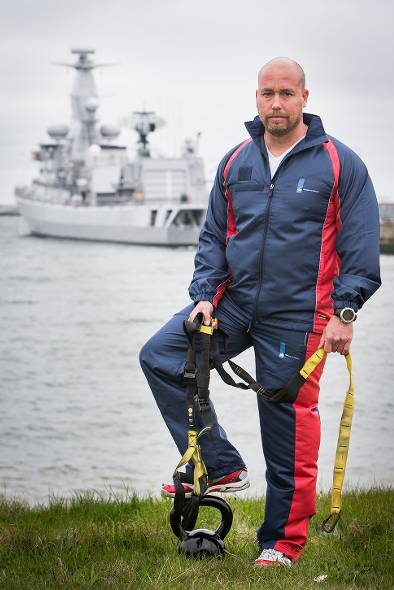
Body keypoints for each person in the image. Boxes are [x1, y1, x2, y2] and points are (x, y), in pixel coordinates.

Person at [139, 58, 381, 567]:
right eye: (267, 93)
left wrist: (345, 313)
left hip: (300, 314)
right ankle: (220, 465)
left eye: (286, 93)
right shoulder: (235, 162)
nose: (276, 103)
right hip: (234, 303)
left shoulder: (340, 164)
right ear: (256, 98)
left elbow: (360, 246)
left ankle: (281, 544)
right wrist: (205, 293)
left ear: (304, 98)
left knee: (288, 430)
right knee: (162, 355)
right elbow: (214, 236)